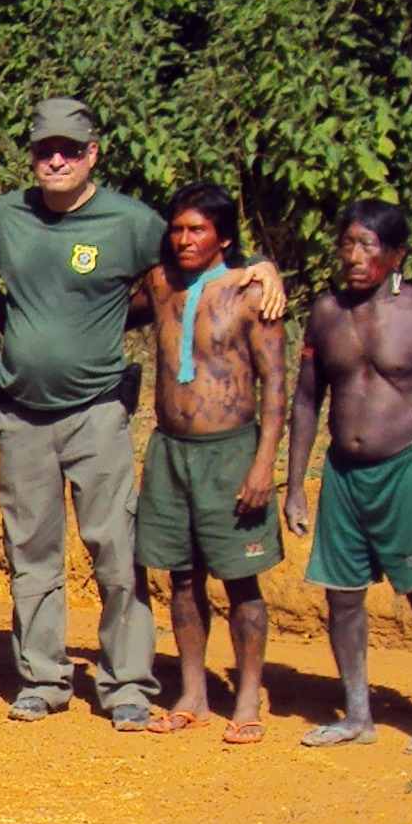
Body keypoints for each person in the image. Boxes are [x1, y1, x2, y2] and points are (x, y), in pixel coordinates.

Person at [0, 97, 282, 728]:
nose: (58, 160)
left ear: (93, 153)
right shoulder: (9, 215)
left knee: (117, 553)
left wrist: (259, 265)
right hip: (21, 417)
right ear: (34, 154)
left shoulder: (130, 221)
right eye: (46, 150)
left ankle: (127, 682)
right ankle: (43, 677)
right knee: (31, 553)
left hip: (98, 412)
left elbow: (196, 252)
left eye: (71, 149)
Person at [283, 198, 412, 753]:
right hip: (344, 473)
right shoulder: (326, 313)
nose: (353, 256)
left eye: (367, 245)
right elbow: (306, 401)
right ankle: (358, 715)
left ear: (396, 255)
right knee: (342, 597)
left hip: (408, 467)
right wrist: (296, 483)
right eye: (347, 244)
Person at [132, 180, 289, 739]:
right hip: (171, 451)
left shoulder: (251, 295)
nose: (183, 239)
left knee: (241, 579)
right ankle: (193, 691)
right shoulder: (158, 283)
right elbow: (97, 299)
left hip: (231, 453)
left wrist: (263, 464)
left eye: (196, 229)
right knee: (180, 578)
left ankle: (248, 698)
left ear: (223, 236)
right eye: (176, 228)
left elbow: (275, 386)